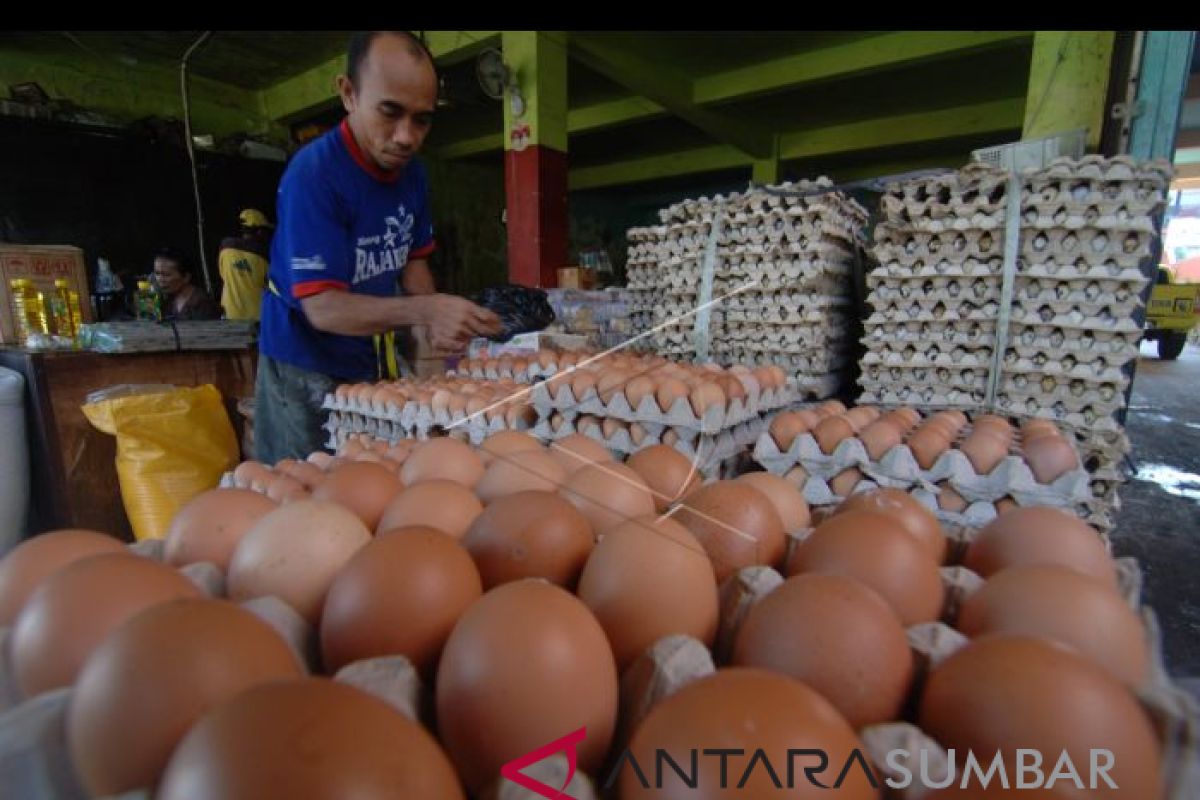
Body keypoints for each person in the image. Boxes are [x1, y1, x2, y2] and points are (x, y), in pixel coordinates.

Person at [255, 30, 501, 463]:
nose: (406, 137)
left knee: (375, 476)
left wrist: (437, 329)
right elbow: (323, 308)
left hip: (368, 353)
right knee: (305, 485)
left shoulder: (413, 176)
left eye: (422, 119)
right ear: (349, 94)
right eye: (390, 113)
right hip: (304, 361)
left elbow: (414, 264)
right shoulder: (314, 174)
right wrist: (426, 311)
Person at [218, 208, 273, 321]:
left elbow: (223, 275)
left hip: (229, 314)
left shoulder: (225, 248)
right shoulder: (265, 255)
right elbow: (271, 286)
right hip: (258, 317)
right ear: (259, 232)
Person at [151, 248, 222, 321]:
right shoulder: (167, 299)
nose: (160, 280)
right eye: (157, 273)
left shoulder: (202, 304)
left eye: (166, 275)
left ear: (186, 277)